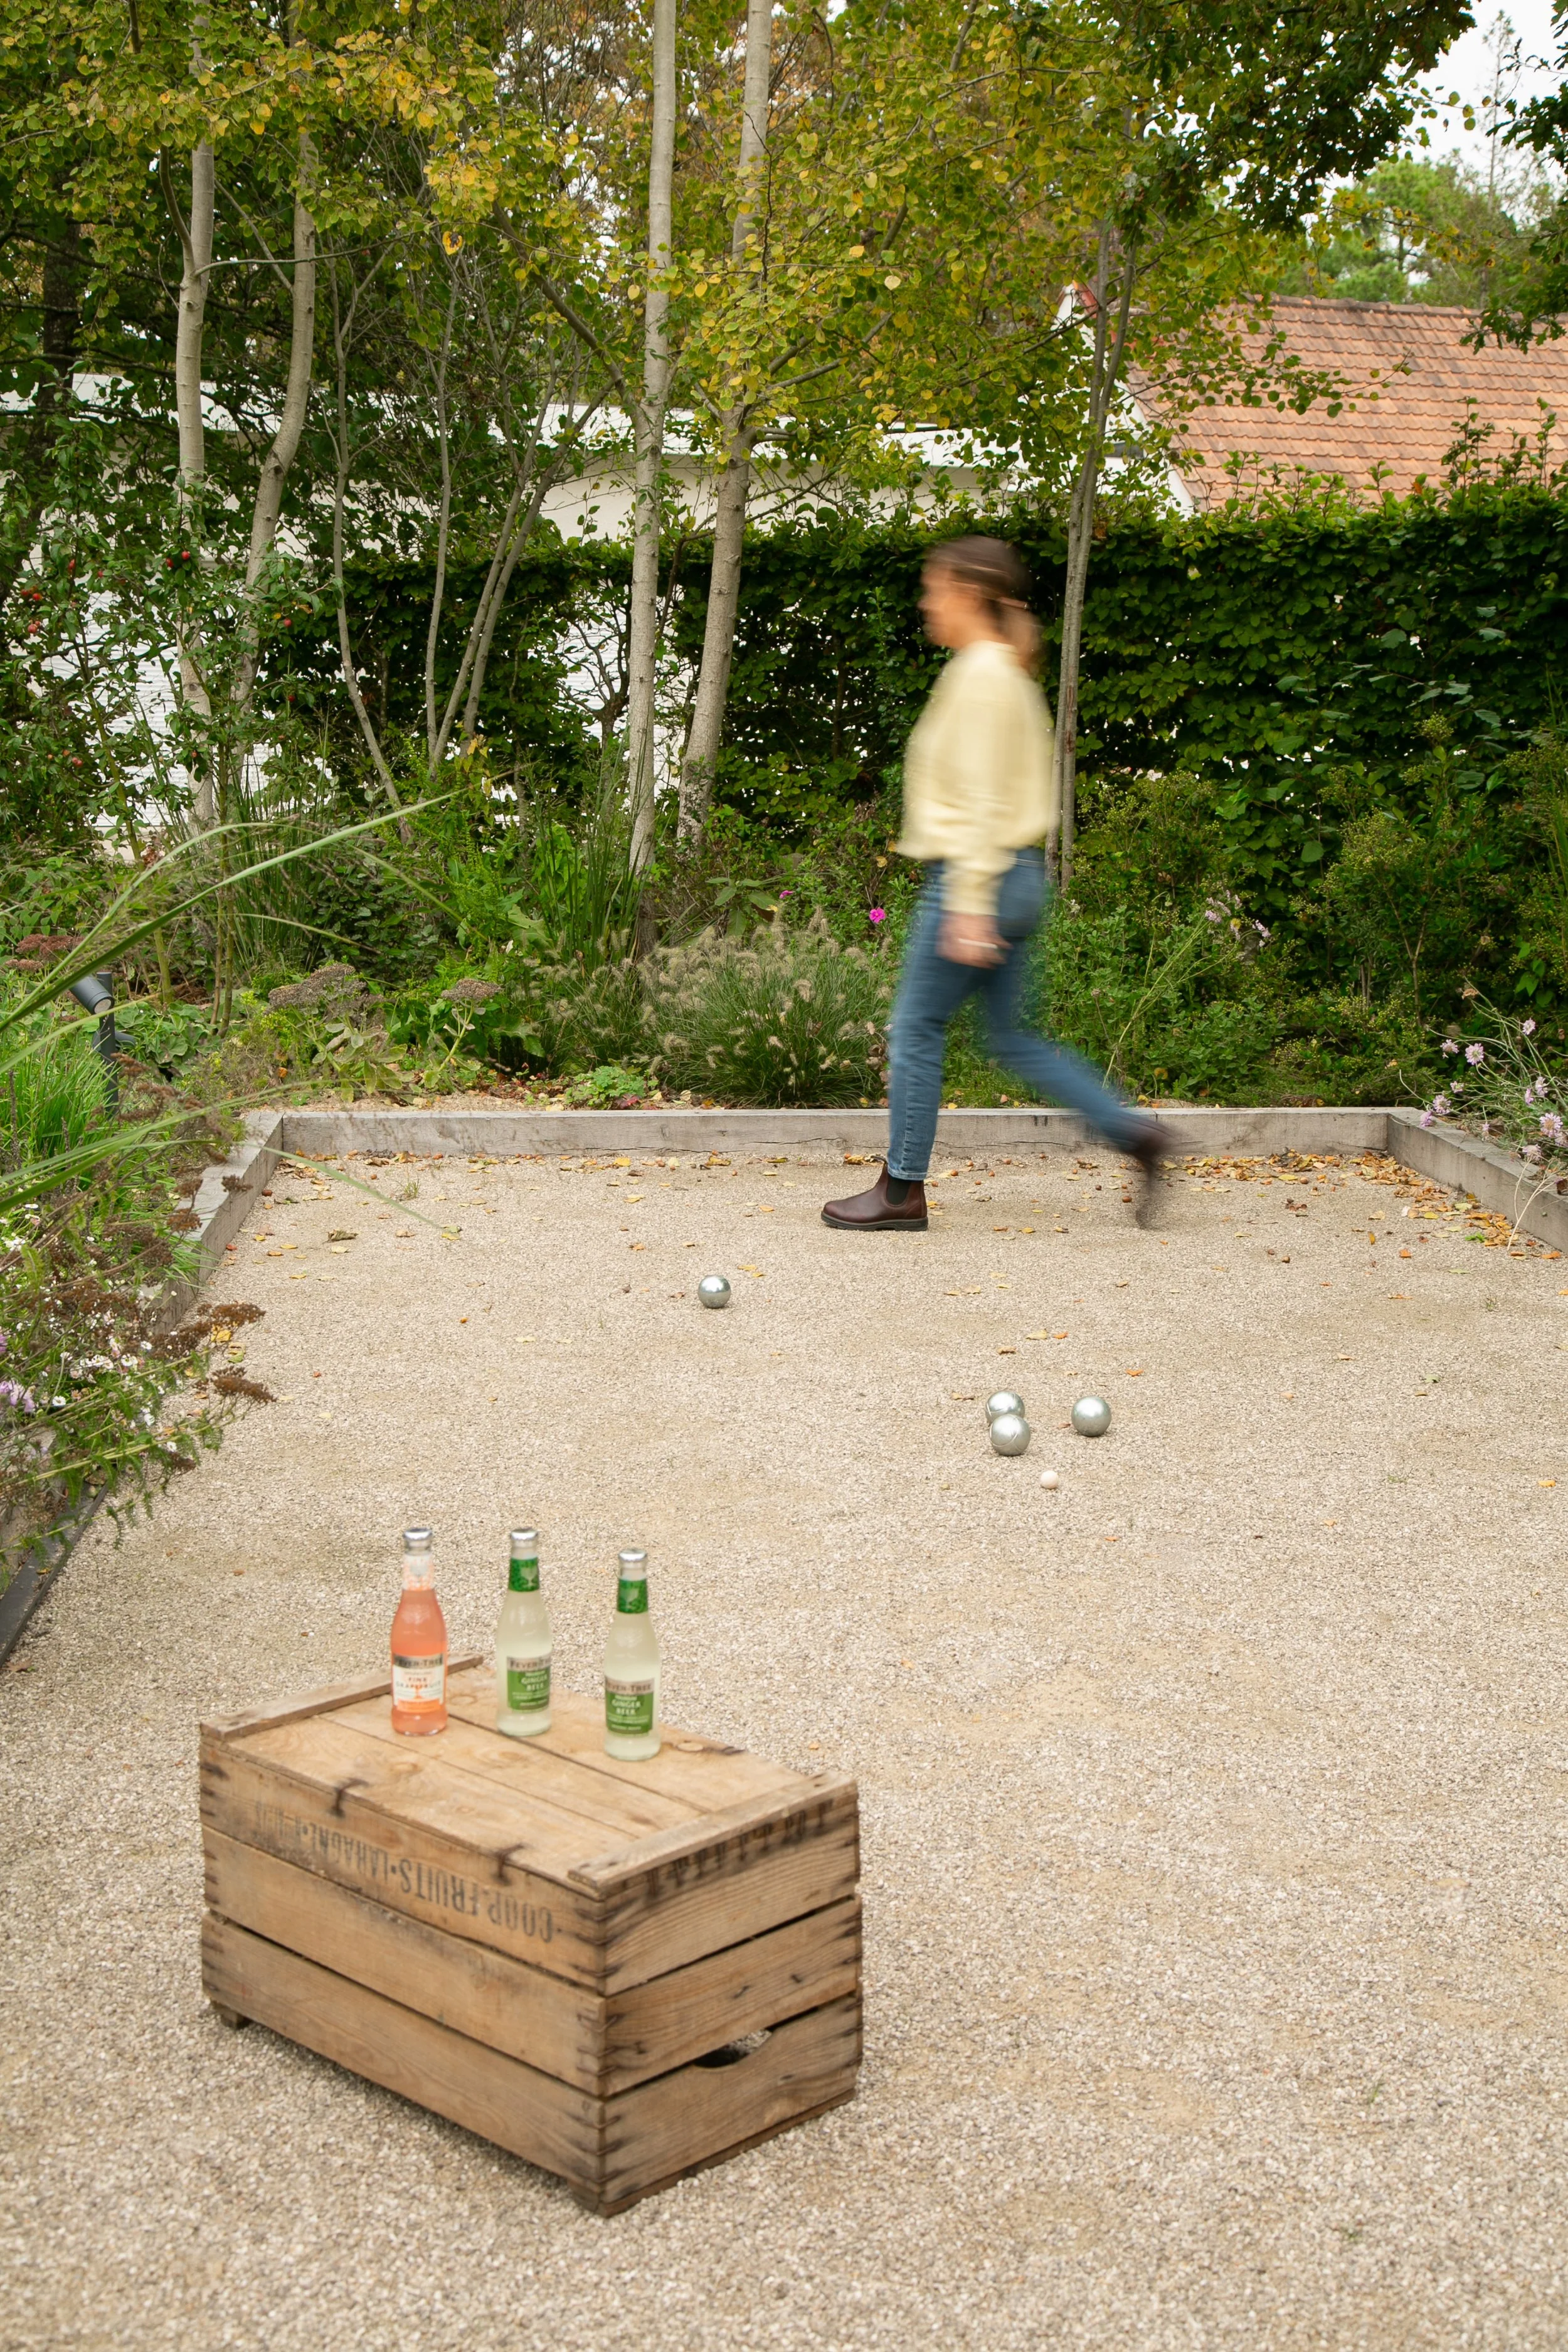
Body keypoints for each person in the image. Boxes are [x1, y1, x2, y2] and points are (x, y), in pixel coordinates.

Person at [822, 535, 1167, 1233]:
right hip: (1019, 876)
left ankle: (899, 1192)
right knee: (1012, 1039)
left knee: (916, 1029)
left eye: (933, 589)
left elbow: (978, 799)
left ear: (967, 594)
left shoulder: (978, 675)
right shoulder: (1008, 673)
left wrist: (969, 904)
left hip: (975, 878)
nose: (925, 603)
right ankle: (1135, 1132)